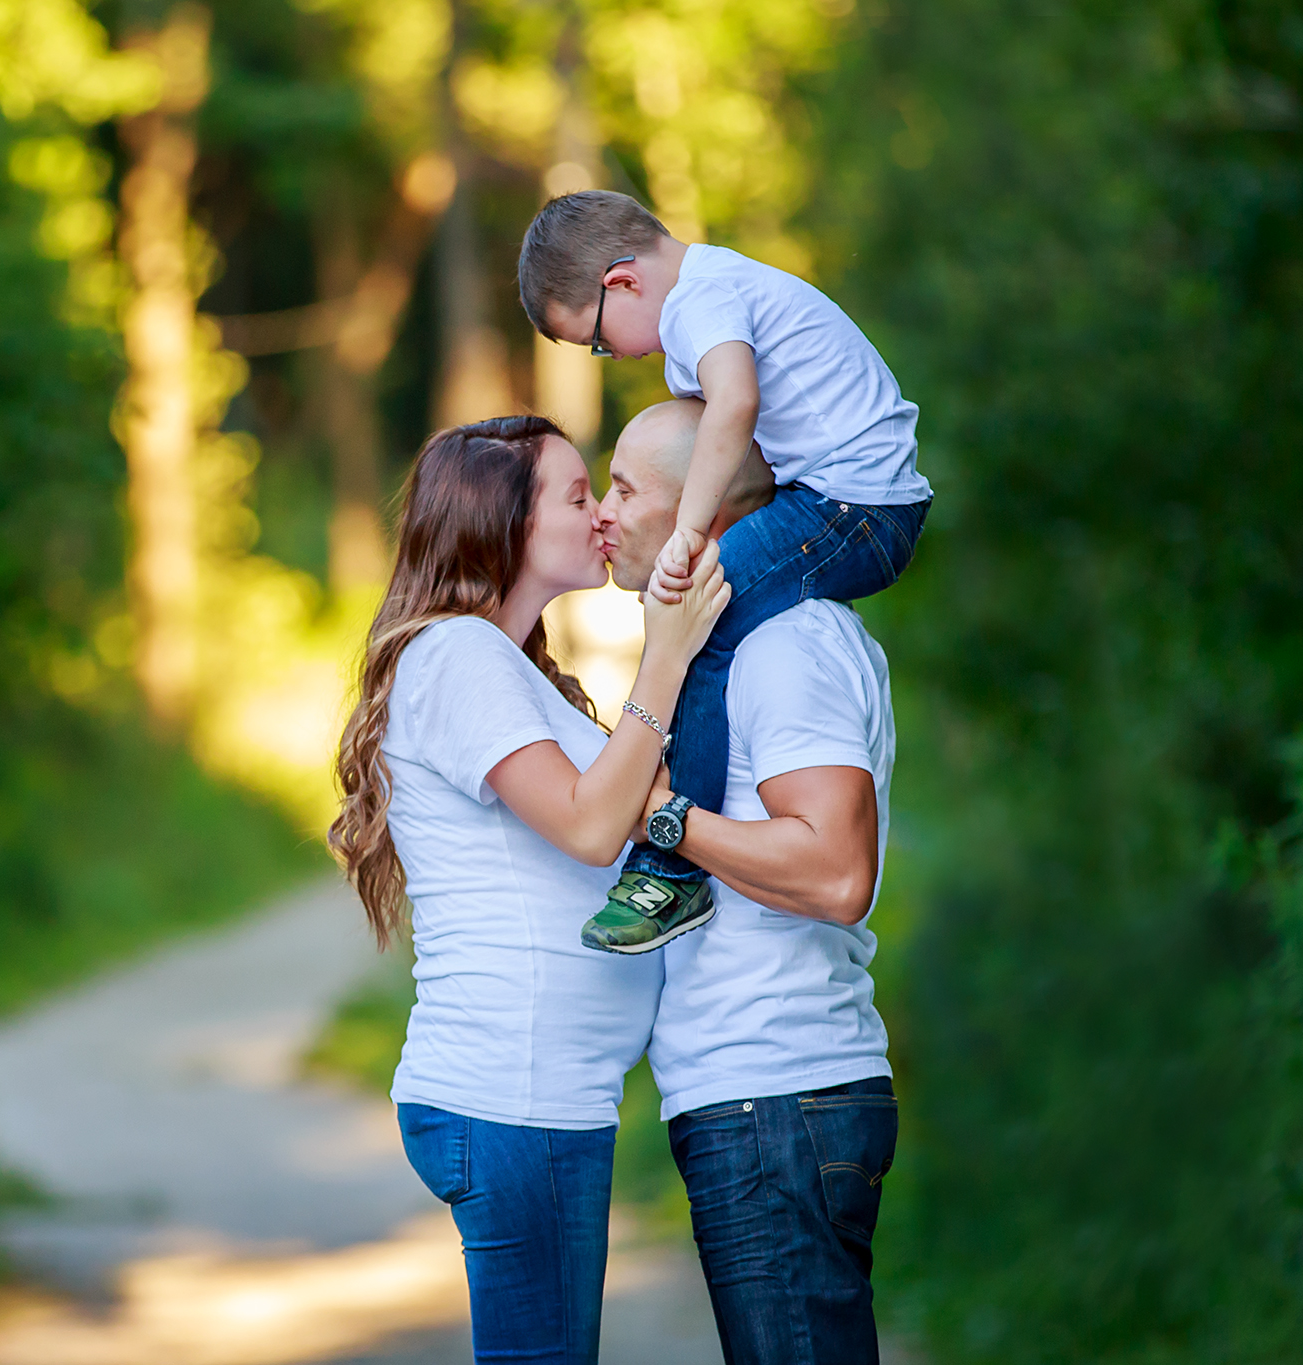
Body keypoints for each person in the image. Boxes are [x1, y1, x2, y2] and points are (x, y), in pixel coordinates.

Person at [328, 415, 727, 1365]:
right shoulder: (459, 657)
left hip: (542, 1101)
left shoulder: (509, 666)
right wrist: (663, 654)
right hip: (517, 1098)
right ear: (504, 524)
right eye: (578, 495)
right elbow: (593, 826)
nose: (599, 517)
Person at [516, 191, 933, 953]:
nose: (617, 357)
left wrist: (685, 533)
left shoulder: (701, 298)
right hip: (842, 498)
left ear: (621, 282)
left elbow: (734, 406)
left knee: (705, 614)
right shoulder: (701, 304)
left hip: (860, 506)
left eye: (599, 343)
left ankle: (671, 867)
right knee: (701, 607)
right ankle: (674, 846)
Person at [607, 399, 903, 1365]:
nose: (604, 512)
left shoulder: (786, 646)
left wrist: (667, 819)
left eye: (623, 488)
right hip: (762, 1097)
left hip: (776, 1094)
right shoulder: (744, 642)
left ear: (701, 508)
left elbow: (834, 868)